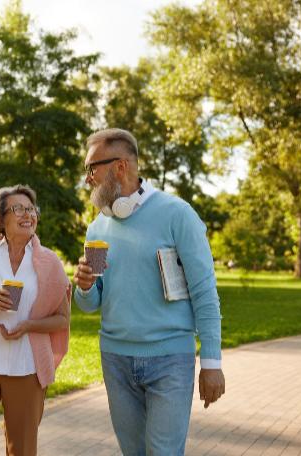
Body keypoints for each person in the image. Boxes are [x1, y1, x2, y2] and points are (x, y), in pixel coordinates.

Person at [73, 128, 225, 456]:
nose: (87, 179)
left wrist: (211, 362)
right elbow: (93, 299)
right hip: (115, 359)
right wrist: (85, 287)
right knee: (134, 452)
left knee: (163, 452)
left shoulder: (177, 215)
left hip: (170, 358)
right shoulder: (97, 227)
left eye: (91, 169)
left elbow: (204, 291)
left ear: (120, 166)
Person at [0, 185, 72, 456]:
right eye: (19, 209)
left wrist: (28, 326)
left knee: (22, 448)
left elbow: (62, 320)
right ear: (0, 218)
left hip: (26, 370)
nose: (28, 214)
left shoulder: (49, 262)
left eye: (32, 209)